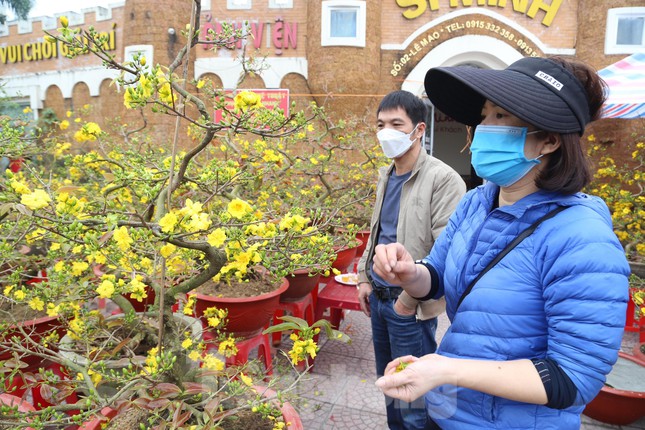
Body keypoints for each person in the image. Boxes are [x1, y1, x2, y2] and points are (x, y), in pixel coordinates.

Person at [371, 56, 630, 430]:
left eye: (500, 117)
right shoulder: (479, 200)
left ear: (549, 140)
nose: (481, 130)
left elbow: (573, 379)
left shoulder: (582, 238)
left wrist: (448, 368)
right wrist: (410, 272)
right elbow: (438, 276)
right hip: (451, 414)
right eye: (483, 115)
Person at [356, 90, 466, 430]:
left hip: (411, 307)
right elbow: (377, 231)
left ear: (418, 130)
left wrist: (406, 301)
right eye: (380, 124)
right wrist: (364, 277)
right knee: (389, 383)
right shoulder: (386, 175)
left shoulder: (443, 179)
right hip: (378, 297)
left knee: (414, 397)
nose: (385, 131)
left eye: (395, 124)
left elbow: (445, 251)